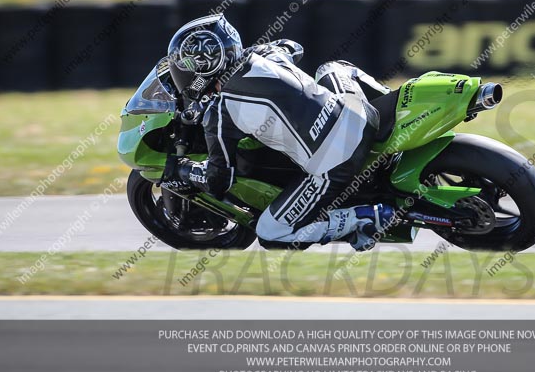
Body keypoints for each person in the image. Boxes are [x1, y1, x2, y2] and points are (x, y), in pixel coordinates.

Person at [161, 14, 396, 251]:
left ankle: (364, 218)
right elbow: (294, 47)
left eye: (188, 66)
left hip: (338, 159)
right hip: (359, 112)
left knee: (271, 234)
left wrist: (181, 169)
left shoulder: (220, 112)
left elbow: (218, 181)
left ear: (203, 68)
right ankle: (395, 115)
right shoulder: (268, 55)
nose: (184, 73)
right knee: (333, 68)